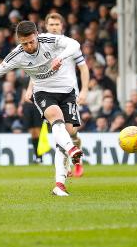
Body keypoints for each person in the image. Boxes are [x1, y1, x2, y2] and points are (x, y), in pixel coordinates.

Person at [0, 21, 84, 196]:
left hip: (67, 91)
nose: (29, 46)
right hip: (43, 92)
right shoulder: (16, 55)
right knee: (55, 117)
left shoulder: (49, 40)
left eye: (31, 41)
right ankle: (66, 164)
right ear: (18, 41)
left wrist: (60, 57)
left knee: (66, 132)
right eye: (24, 43)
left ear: (37, 35)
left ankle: (60, 182)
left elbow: (75, 44)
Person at [25, 12, 89, 177]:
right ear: (46, 26)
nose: (54, 27)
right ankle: (66, 166)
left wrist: (84, 90)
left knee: (72, 131)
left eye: (57, 24)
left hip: (69, 92)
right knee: (59, 127)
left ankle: (76, 159)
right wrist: (29, 88)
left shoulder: (70, 45)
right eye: (51, 24)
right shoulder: (42, 46)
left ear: (62, 26)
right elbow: (38, 71)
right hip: (48, 92)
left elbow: (83, 68)